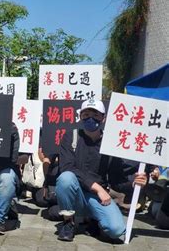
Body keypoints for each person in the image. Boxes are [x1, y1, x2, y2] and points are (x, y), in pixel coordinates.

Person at [56, 99, 148, 242]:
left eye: (95, 115)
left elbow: (117, 179)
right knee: (65, 178)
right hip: (76, 192)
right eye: (86, 114)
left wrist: (135, 183)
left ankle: (93, 219)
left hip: (98, 198)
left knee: (116, 230)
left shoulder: (111, 142)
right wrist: (98, 188)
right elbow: (67, 167)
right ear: (80, 116)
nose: (90, 118)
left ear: (104, 118)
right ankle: (68, 222)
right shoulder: (71, 136)